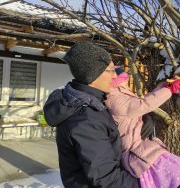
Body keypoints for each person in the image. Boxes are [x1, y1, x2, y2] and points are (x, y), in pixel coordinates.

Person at [43, 42, 153, 188]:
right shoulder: (85, 119)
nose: (115, 76)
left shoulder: (94, 103)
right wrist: (149, 183)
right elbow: (107, 180)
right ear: (93, 76)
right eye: (110, 70)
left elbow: (106, 146)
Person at [105, 67, 180, 188]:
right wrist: (168, 90)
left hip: (140, 145)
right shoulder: (113, 99)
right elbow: (143, 104)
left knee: (177, 172)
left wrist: (164, 86)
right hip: (134, 151)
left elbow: (145, 99)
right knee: (174, 176)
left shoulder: (119, 92)